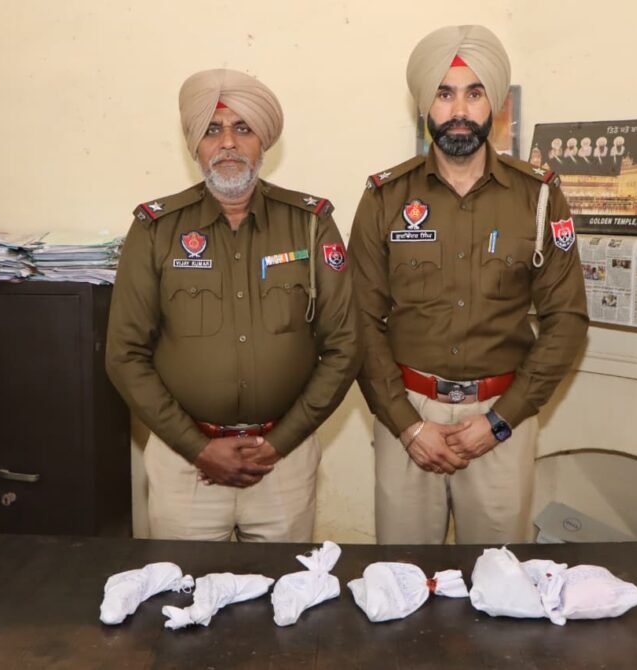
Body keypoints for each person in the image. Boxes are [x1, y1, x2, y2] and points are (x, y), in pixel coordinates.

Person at [349, 25, 589, 544]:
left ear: (494, 106)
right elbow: (359, 321)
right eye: (444, 93)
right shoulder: (384, 198)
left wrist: (501, 421)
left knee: (498, 579)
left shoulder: (539, 197)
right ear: (424, 106)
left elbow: (567, 321)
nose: (459, 109)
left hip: (502, 421)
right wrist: (407, 424)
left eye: (474, 93)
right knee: (402, 579)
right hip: (407, 417)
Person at [106, 69, 360, 542]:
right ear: (194, 146)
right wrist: (197, 447)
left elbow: (344, 345)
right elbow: (124, 354)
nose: (227, 143)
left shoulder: (310, 224)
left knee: (286, 588)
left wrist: (280, 443)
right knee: (184, 586)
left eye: (243, 128)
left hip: (284, 463)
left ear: (264, 142)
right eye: (212, 130)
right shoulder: (155, 230)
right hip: (185, 467)